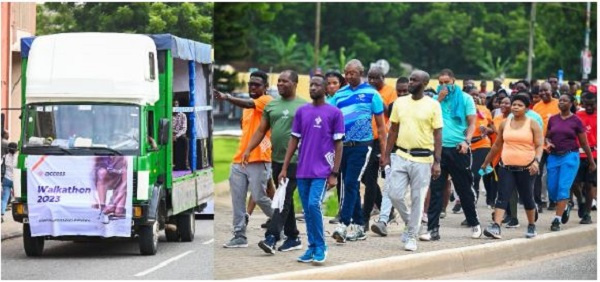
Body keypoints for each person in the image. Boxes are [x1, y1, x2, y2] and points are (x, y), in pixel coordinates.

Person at [278, 74, 344, 265]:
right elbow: (294, 140)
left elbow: (339, 145)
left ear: (325, 89)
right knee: (307, 210)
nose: (312, 88)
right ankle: (312, 247)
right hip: (303, 170)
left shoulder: (334, 113)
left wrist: (334, 173)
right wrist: (284, 167)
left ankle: (321, 246)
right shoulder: (302, 111)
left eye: (316, 85)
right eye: (311, 85)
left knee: (314, 204)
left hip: (322, 171)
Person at [376, 70, 442, 251]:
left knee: (417, 199)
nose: (410, 83)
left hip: (423, 159)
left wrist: (437, 162)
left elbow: (438, 135)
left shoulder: (433, 105)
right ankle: (410, 223)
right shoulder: (399, 103)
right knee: (394, 194)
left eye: (414, 80)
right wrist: (386, 154)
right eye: (410, 79)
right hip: (401, 156)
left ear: (425, 84)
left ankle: (411, 235)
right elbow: (394, 130)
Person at [245, 70, 307, 254]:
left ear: (295, 84)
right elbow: (261, 131)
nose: (280, 84)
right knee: (284, 198)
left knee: (282, 198)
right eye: (278, 81)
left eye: (284, 81)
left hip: (296, 160)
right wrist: (248, 149)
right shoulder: (271, 106)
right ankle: (293, 237)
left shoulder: (304, 106)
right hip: (277, 159)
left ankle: (271, 237)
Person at [420, 69, 482, 241]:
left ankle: (474, 223)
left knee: (464, 189)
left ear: (454, 81)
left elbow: (471, 124)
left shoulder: (465, 98)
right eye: (441, 82)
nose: (444, 85)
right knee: (436, 189)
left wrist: (466, 141)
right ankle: (432, 230)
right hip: (438, 150)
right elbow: (426, 119)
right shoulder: (433, 101)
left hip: (458, 149)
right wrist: (438, 100)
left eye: (447, 82)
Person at [214, 70, 274, 248]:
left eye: (257, 85)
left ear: (265, 88)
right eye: (250, 84)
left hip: (259, 158)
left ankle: (282, 223)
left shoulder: (265, 101)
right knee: (238, 200)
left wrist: (226, 97)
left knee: (259, 196)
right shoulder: (248, 111)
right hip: (240, 160)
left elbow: (248, 103)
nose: (253, 87)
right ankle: (239, 235)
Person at [330, 59, 386, 243]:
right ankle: (360, 226)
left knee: (351, 182)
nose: (348, 76)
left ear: (360, 73)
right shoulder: (339, 94)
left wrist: (384, 153)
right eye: (346, 73)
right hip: (342, 146)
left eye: (352, 73)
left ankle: (344, 224)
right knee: (348, 184)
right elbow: (329, 118)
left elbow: (381, 126)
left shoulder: (372, 94)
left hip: (363, 145)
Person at [481, 95, 544, 239]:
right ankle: (496, 226)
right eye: (514, 104)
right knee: (502, 196)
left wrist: (536, 162)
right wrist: (486, 162)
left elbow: (540, 145)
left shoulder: (532, 123)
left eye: (519, 105)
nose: (515, 107)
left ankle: (531, 225)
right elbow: (497, 145)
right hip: (506, 166)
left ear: (527, 108)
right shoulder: (504, 123)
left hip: (527, 168)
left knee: (527, 197)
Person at [545, 94, 596, 231]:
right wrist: (548, 143)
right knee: (552, 189)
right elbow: (546, 137)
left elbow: (584, 143)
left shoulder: (576, 120)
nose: (561, 103)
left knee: (563, 187)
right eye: (560, 100)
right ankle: (566, 205)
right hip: (554, 157)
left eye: (565, 101)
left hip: (570, 156)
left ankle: (557, 220)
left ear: (572, 103)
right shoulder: (553, 119)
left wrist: (591, 162)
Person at [361, 66, 396, 230]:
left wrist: (376, 98)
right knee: (366, 179)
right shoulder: (364, 90)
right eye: (370, 78)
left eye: (376, 78)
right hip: (365, 138)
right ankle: (386, 209)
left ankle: (365, 218)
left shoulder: (390, 92)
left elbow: (390, 112)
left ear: (384, 77)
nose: (373, 81)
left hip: (381, 140)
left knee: (370, 180)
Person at [532, 82, 560, 212]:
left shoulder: (559, 104)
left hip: (556, 146)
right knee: (536, 173)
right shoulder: (536, 107)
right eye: (541, 91)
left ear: (552, 90)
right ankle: (538, 202)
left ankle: (553, 200)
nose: (543, 93)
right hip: (540, 146)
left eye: (546, 90)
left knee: (553, 173)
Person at [468, 87, 495, 217]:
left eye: (476, 95)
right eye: (471, 95)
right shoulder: (461, 110)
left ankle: (472, 212)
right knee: (467, 177)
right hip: (465, 146)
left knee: (475, 176)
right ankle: (465, 205)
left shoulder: (485, 110)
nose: (474, 97)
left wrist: (487, 130)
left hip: (482, 145)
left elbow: (492, 128)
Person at [324, 70, 346, 224]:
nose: (332, 87)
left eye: (335, 83)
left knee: (340, 178)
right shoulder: (322, 101)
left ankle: (342, 212)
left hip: (340, 143)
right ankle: (312, 208)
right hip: (325, 144)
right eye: (329, 84)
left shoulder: (343, 99)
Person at [573, 92, 597, 224]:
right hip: (577, 154)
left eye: (591, 105)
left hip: (594, 155)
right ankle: (581, 199)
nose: (588, 107)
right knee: (573, 183)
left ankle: (587, 214)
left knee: (590, 185)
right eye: (585, 104)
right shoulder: (577, 116)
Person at [93, 156, 128, 222]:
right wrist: (94, 197)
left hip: (119, 186)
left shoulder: (123, 160)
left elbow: (124, 183)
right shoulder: (97, 159)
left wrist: (113, 203)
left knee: (118, 212)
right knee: (102, 173)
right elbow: (91, 176)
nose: (111, 157)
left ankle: (115, 208)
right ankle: (102, 207)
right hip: (104, 182)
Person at [1, 142, 17, 222]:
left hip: (6, 179)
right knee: (19, 199)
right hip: (16, 180)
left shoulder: (4, 157)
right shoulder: (18, 157)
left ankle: (1, 214)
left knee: (4, 198)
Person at [172, 100, 189, 171]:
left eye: (176, 104)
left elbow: (184, 129)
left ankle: (183, 164)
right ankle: (175, 164)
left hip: (179, 135)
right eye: (173, 104)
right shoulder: (169, 115)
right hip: (171, 135)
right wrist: (172, 135)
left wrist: (176, 136)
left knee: (184, 140)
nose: (175, 105)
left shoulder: (183, 115)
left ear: (178, 105)